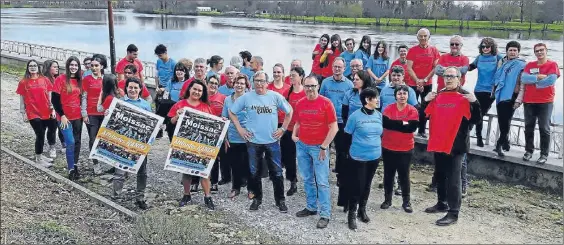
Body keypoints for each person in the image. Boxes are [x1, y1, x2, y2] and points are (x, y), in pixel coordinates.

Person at [423, 67, 481, 226]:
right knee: (440, 175)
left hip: (456, 145)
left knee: (454, 179)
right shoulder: (438, 95)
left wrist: (475, 102)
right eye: (445, 76)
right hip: (438, 142)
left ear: (459, 78)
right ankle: (442, 203)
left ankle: (453, 213)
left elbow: (475, 119)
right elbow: (423, 114)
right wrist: (426, 100)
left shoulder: (464, 97)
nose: (448, 79)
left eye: (451, 76)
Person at [228, 71, 293, 213]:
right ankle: (257, 199)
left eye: (262, 81)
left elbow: (289, 111)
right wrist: (240, 129)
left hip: (272, 141)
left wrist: (283, 129)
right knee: (254, 172)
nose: (259, 83)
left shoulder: (275, 97)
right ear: (253, 82)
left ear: (267, 82)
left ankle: (280, 200)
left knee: (276, 172)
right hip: (253, 141)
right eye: (256, 80)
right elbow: (232, 112)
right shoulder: (247, 97)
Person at [292, 75, 339, 229]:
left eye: (313, 86)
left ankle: (325, 214)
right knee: (307, 178)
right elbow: (298, 121)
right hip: (303, 145)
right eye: (307, 86)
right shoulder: (300, 103)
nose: (310, 89)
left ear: (318, 86)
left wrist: (325, 146)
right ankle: (311, 207)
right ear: (303, 86)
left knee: (322, 181)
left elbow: (334, 127)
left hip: (319, 148)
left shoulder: (326, 103)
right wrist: (294, 134)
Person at [168, 80, 216, 210]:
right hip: (184, 144)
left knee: (204, 172)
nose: (197, 92)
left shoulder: (206, 107)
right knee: (186, 171)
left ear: (202, 93)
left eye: (200, 91)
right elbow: (170, 122)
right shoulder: (179, 105)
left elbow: (213, 125)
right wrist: (177, 116)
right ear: (189, 89)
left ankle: (207, 196)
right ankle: (186, 194)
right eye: (195, 89)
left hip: (201, 146)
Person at [343, 88, 382, 230]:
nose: (378, 100)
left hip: (375, 156)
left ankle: (362, 210)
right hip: (358, 157)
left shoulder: (379, 115)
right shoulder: (355, 116)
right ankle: (351, 214)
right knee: (357, 185)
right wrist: (347, 154)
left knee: (367, 184)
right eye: (376, 98)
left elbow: (379, 134)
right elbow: (347, 136)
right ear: (367, 99)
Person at [110, 77, 152, 210]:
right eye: (130, 87)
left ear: (140, 89)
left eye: (135, 88)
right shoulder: (119, 102)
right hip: (123, 143)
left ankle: (140, 197)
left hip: (139, 144)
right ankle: (116, 196)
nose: (133, 90)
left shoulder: (146, 105)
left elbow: (151, 125)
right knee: (120, 171)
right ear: (126, 88)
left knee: (142, 172)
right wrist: (108, 114)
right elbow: (112, 122)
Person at [320, 57, 353, 210]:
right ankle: (323, 174)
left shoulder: (349, 84)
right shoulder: (326, 82)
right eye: (335, 67)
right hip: (326, 121)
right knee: (324, 148)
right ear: (332, 68)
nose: (337, 69)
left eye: (340, 67)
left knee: (341, 151)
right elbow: (320, 100)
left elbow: (350, 103)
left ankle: (339, 175)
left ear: (344, 68)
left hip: (340, 121)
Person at [519, 43, 560, 164]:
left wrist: (535, 83)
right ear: (534, 52)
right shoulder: (530, 65)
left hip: (545, 102)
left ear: (546, 50)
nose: (539, 53)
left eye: (541, 50)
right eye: (537, 51)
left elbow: (551, 80)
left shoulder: (552, 64)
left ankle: (544, 154)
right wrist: (538, 77)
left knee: (544, 128)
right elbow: (524, 79)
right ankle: (529, 151)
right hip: (529, 101)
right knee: (529, 127)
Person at [381, 85, 419, 213]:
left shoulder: (412, 110)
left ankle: (406, 202)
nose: (402, 96)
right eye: (399, 93)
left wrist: (396, 124)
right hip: (388, 147)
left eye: (404, 93)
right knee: (388, 174)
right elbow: (386, 123)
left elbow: (412, 128)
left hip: (405, 149)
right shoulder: (388, 108)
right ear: (395, 96)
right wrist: (403, 123)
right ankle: (387, 199)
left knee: (404, 175)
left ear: (408, 96)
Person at [17, 59, 57, 167]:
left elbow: (50, 95)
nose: (33, 67)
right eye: (30, 66)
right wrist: (23, 112)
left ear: (38, 67)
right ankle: (38, 159)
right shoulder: (23, 82)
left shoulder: (44, 79)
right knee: (40, 134)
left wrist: (52, 109)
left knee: (45, 132)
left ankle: (40, 156)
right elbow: (22, 98)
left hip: (46, 111)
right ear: (28, 68)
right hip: (32, 112)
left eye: (35, 65)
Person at [492, 41, 526, 157]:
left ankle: (499, 144)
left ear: (518, 52)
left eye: (515, 50)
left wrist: (519, 99)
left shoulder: (522, 65)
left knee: (505, 122)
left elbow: (523, 84)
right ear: (506, 51)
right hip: (500, 95)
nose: (512, 52)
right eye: (510, 50)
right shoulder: (502, 62)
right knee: (503, 121)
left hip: (512, 96)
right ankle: (505, 143)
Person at [468, 37, 504, 147]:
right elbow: (469, 67)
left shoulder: (498, 57)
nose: (485, 49)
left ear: (492, 47)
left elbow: (508, 67)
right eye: (483, 46)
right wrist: (456, 67)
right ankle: (476, 137)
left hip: (491, 91)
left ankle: (471, 132)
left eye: (487, 46)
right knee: (478, 113)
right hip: (478, 89)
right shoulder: (479, 58)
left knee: (480, 113)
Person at [52, 56, 83, 180]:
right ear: (68, 66)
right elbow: (54, 99)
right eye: (72, 65)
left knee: (77, 142)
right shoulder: (61, 79)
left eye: (76, 65)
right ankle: (70, 169)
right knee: (70, 142)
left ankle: (75, 165)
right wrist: (62, 115)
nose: (73, 67)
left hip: (78, 117)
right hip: (64, 117)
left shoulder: (80, 80)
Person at [406, 28, 440, 138]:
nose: (423, 38)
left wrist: (425, 80)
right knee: (411, 107)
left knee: (426, 108)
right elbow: (409, 68)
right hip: (413, 83)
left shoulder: (434, 50)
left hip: (427, 83)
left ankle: (422, 130)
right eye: (420, 36)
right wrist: (417, 81)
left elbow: (436, 67)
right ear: (417, 37)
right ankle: (409, 128)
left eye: (425, 36)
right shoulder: (412, 50)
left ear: (429, 37)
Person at [222, 74, 252, 199]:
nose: (239, 85)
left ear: (246, 86)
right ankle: (236, 188)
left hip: (248, 137)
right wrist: (225, 137)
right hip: (232, 136)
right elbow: (224, 118)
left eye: (242, 83)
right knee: (235, 165)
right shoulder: (227, 100)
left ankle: (252, 189)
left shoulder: (250, 99)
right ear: (233, 84)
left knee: (249, 165)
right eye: (237, 83)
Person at [282, 67, 307, 196]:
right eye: (290, 75)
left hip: (304, 130)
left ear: (301, 76)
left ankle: (310, 183)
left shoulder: (306, 92)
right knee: (289, 157)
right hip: (290, 129)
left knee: (304, 157)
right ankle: (293, 182)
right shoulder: (287, 92)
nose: (291, 78)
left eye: (294, 75)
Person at [81, 54, 108, 175]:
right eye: (92, 66)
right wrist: (84, 113)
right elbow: (84, 96)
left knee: (103, 138)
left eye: (96, 65)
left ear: (101, 66)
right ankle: (96, 164)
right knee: (93, 138)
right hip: (91, 113)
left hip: (104, 112)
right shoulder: (86, 79)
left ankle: (105, 159)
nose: (94, 68)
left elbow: (111, 96)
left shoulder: (107, 79)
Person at [206, 74, 228, 192]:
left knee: (214, 157)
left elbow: (226, 114)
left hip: (217, 131)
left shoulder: (223, 98)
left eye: (216, 83)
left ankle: (214, 182)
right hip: (202, 129)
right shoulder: (202, 95)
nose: (213, 85)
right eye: (211, 82)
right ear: (207, 83)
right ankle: (195, 182)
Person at [159, 62, 189, 140]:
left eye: (181, 70)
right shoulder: (171, 82)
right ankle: (161, 125)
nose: (179, 72)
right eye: (177, 70)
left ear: (185, 72)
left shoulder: (188, 82)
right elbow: (166, 94)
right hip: (171, 106)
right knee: (162, 103)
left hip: (182, 106)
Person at [42, 59, 65, 152]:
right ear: (48, 68)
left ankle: (63, 144)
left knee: (60, 126)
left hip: (58, 107)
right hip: (48, 108)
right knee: (52, 127)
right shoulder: (44, 79)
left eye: (57, 67)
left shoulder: (57, 78)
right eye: (54, 67)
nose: (57, 69)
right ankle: (51, 146)